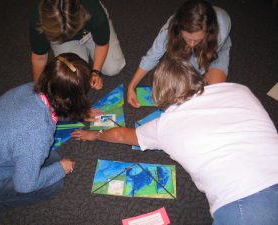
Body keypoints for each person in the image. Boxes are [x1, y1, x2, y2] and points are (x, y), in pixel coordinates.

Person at [72, 57, 278, 225]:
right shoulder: (240, 89)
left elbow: (120, 135)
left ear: (161, 98)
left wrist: (95, 135)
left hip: (246, 202)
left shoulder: (166, 125)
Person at [0, 53, 98, 213]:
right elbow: (25, 185)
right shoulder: (37, 133)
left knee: (51, 157)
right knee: (55, 184)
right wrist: (61, 169)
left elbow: (53, 108)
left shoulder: (30, 88)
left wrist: (78, 114)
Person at [128, 0, 232, 108]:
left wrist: (189, 83)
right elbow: (151, 57)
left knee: (216, 94)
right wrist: (131, 86)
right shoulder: (170, 29)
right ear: (179, 29)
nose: (192, 44)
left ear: (208, 32)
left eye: (197, 40)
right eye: (187, 38)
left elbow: (200, 66)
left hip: (213, 51)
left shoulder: (222, 26)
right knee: (179, 90)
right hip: (183, 49)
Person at [29, 0, 126, 89]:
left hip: (88, 27)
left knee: (113, 68)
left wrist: (96, 72)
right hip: (61, 38)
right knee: (74, 76)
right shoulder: (38, 18)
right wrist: (39, 90)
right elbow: (39, 58)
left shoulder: (93, 10)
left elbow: (102, 45)